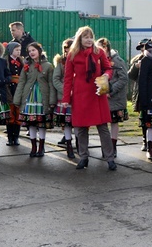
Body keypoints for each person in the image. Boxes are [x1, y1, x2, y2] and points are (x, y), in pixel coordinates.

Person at [61, 26, 116, 171]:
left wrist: (106, 76)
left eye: (91, 37)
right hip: (80, 94)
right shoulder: (72, 54)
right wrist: (66, 98)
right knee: (80, 128)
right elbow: (67, 78)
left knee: (103, 127)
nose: (89, 39)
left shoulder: (99, 52)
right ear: (80, 38)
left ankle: (110, 158)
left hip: (97, 93)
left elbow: (109, 68)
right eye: (86, 37)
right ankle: (83, 157)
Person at [13, 42, 55, 158]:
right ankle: (33, 147)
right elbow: (21, 82)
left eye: (33, 50)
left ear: (39, 51)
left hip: (42, 98)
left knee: (41, 123)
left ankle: (41, 147)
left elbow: (51, 84)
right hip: (29, 97)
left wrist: (52, 101)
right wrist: (17, 99)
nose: (31, 53)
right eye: (29, 51)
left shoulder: (48, 66)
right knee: (31, 123)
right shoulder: (27, 66)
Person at [98, 37, 129, 158]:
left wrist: (111, 90)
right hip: (104, 96)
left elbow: (123, 78)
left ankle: (113, 146)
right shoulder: (99, 60)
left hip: (115, 98)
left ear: (106, 47)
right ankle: (106, 147)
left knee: (114, 122)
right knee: (103, 122)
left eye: (100, 47)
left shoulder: (117, 60)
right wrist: (103, 90)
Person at [52, 38, 76, 158]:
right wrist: (65, 90)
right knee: (66, 123)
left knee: (77, 122)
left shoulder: (79, 61)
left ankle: (80, 143)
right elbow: (55, 79)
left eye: (69, 50)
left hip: (78, 97)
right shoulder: (61, 63)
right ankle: (69, 145)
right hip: (64, 98)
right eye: (65, 50)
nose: (67, 53)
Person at [127, 38, 149, 151]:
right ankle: (145, 141)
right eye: (141, 47)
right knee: (143, 119)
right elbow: (130, 75)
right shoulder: (138, 60)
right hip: (141, 92)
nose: (143, 49)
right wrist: (136, 66)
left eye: (145, 47)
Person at [4, 42, 24, 146]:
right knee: (10, 114)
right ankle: (10, 138)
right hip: (9, 89)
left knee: (18, 113)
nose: (18, 52)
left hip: (19, 89)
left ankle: (16, 137)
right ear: (11, 50)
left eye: (19, 50)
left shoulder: (21, 61)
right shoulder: (6, 61)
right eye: (16, 50)